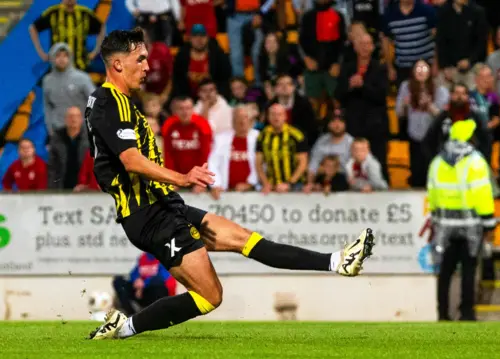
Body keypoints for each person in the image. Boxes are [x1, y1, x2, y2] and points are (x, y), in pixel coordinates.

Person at [87, 28, 374, 340]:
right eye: (140, 59)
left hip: (165, 206)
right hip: (149, 217)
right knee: (210, 296)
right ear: (117, 65)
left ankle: (338, 261)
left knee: (246, 239)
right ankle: (125, 329)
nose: (147, 66)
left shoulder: (116, 101)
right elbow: (131, 160)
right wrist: (182, 177)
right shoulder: (110, 104)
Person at [427, 119, 495, 321]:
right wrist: (488, 221)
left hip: (445, 224)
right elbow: (482, 193)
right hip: (470, 224)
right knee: (468, 270)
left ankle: (443, 314)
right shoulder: (475, 160)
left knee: (445, 271)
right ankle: (467, 314)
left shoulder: (437, 161)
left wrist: (436, 219)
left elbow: (432, 194)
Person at [335, 32, 389, 180]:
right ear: (355, 47)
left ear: (372, 47)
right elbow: (338, 94)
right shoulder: (347, 68)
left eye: (368, 44)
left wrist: (363, 86)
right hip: (354, 123)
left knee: (379, 163)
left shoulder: (380, 68)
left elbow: (381, 95)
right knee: (354, 164)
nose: (365, 47)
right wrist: (350, 86)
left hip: (375, 124)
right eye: (361, 44)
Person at [396, 60, 449, 188]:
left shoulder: (440, 89)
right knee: (416, 174)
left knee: (433, 173)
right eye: (418, 68)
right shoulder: (406, 86)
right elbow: (399, 112)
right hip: (414, 137)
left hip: (434, 139)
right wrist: (405, 103)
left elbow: (444, 117)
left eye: (424, 68)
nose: (421, 71)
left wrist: (430, 106)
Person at [29, 0, 106, 70]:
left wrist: (96, 50)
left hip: (81, 65)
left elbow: (101, 27)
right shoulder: (53, 13)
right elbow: (33, 28)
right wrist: (41, 53)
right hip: (57, 67)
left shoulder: (85, 13)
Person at [208, 105, 260, 200]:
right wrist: (216, 184)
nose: (241, 121)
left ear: (251, 120)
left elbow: (262, 165)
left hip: (253, 192)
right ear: (232, 121)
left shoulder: (259, 138)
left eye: (245, 117)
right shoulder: (221, 138)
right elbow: (213, 163)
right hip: (226, 192)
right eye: (237, 118)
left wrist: (250, 183)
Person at [43, 43, 96, 135]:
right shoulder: (47, 81)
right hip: (58, 131)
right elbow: (47, 107)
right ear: (52, 58)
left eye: (65, 55)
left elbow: (95, 102)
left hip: (82, 131)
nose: (62, 59)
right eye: (58, 55)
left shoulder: (82, 78)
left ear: (70, 58)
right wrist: (50, 130)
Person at [255, 104, 309, 193]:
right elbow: (258, 163)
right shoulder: (262, 136)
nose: (276, 118)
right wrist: (266, 183)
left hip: (295, 185)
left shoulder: (296, 135)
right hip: (272, 185)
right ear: (268, 117)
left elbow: (303, 163)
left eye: (279, 114)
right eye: (273, 114)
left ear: (285, 116)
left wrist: (289, 184)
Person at [161, 96, 213, 180]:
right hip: (177, 176)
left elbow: (205, 155)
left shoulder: (203, 125)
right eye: (181, 108)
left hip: (199, 176)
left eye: (188, 108)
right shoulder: (169, 125)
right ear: (174, 111)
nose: (185, 112)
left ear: (193, 109)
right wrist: (173, 179)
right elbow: (168, 155)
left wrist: (202, 180)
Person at [112, 253, 177, 316]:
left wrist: (144, 283)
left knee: (158, 287)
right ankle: (131, 313)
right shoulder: (144, 257)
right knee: (118, 281)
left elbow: (163, 277)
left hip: (158, 293)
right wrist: (136, 280)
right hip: (142, 292)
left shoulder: (164, 256)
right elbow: (134, 273)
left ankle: (157, 312)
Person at [48, 106, 89, 190]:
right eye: (70, 116)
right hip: (62, 185)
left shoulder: (89, 138)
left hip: (83, 186)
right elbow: (52, 167)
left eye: (77, 116)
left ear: (81, 119)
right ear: (65, 119)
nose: (73, 119)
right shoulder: (57, 138)